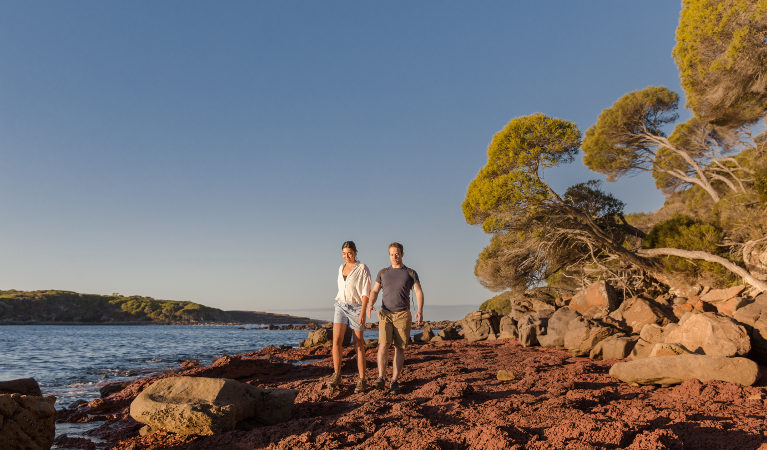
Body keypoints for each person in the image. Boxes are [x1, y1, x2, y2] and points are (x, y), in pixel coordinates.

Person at [368, 242, 424, 394]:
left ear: (402, 254)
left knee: (399, 348)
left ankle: (394, 381)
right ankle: (381, 378)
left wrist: (419, 310)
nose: (394, 256)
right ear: (389, 255)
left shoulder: (410, 273)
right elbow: (374, 291)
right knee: (383, 344)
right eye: (392, 254)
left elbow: (418, 291)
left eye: (397, 253)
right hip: (385, 314)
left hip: (402, 315)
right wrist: (370, 303)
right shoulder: (383, 272)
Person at [329, 241, 372, 392]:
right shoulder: (341, 267)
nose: (346, 256)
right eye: (343, 253)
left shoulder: (362, 268)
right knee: (336, 341)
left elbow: (366, 292)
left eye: (349, 253)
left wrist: (363, 312)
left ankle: (362, 380)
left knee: (358, 344)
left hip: (356, 307)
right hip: (340, 305)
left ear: (355, 252)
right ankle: (337, 374)